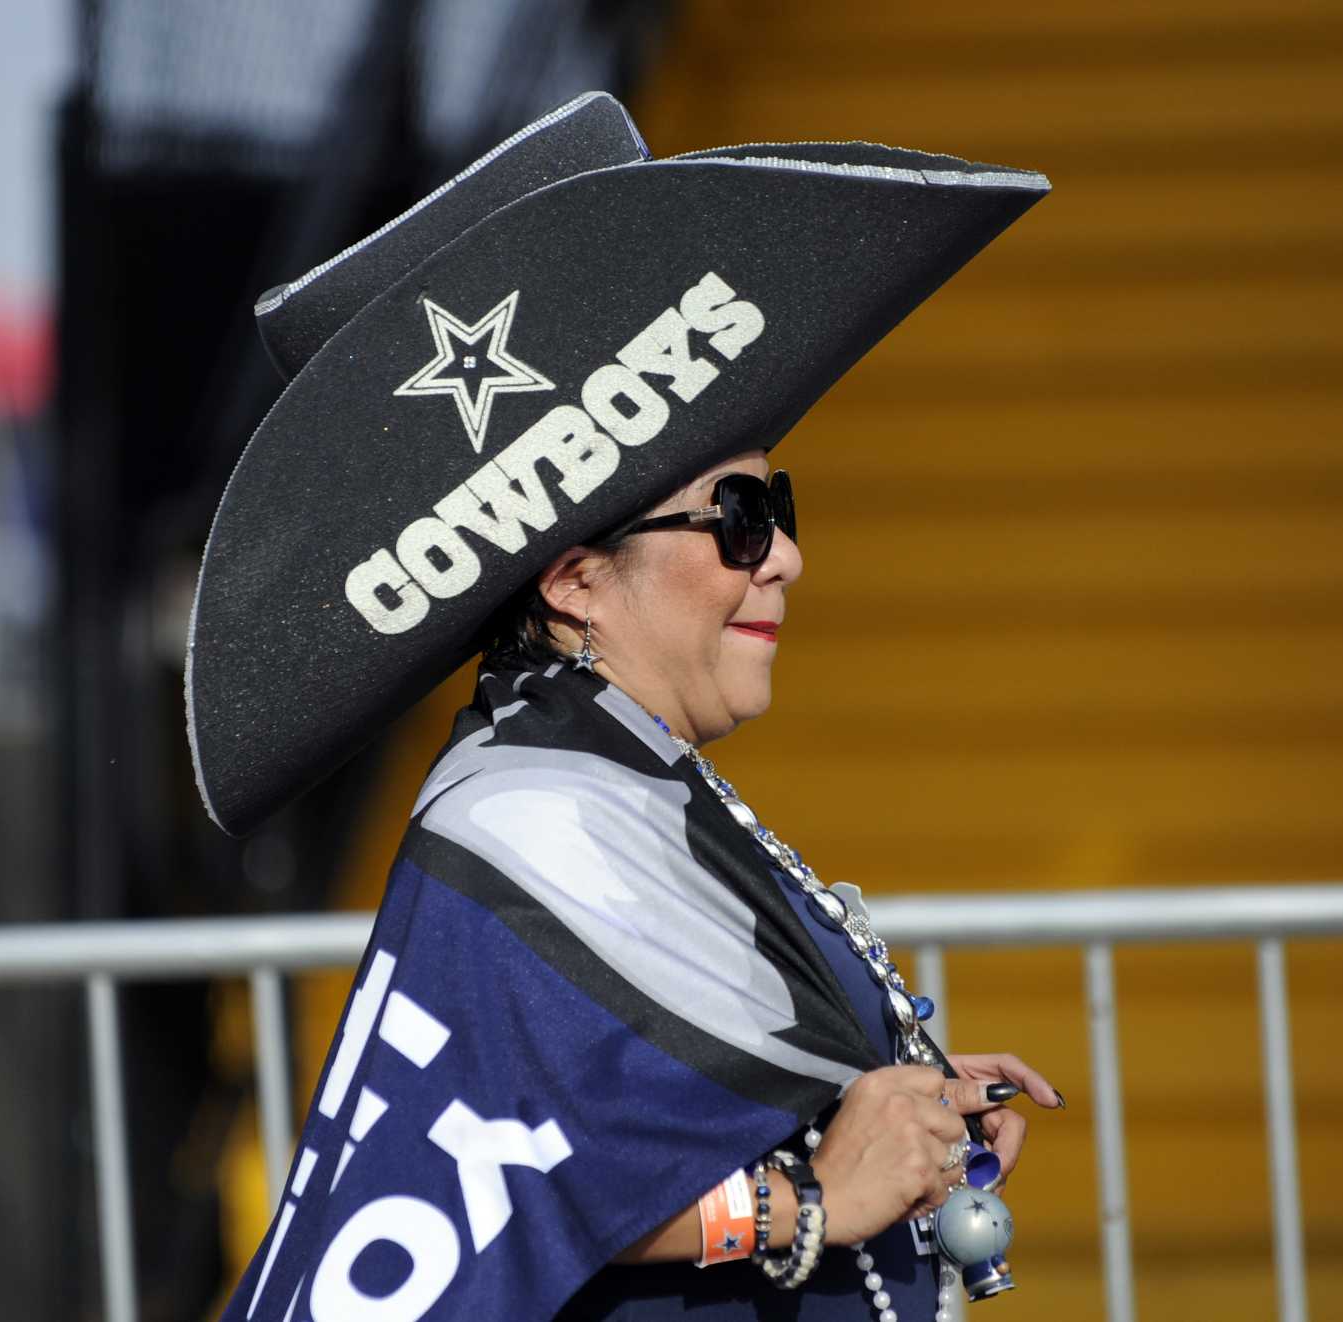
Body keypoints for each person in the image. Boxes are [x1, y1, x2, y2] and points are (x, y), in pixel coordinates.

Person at [185, 92, 1059, 1320]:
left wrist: (888, 1101)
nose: (784, 559)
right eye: (739, 522)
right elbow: (462, 1217)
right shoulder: (529, 815)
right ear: (576, 577)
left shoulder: (604, 766)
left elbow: (592, 1134)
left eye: (783, 509)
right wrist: (807, 1197)